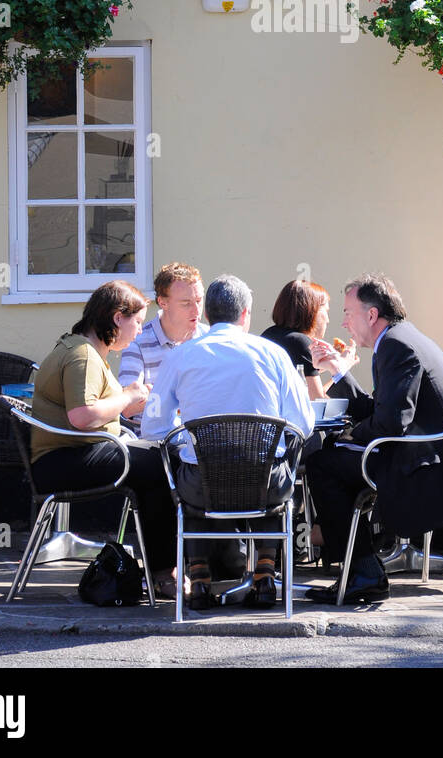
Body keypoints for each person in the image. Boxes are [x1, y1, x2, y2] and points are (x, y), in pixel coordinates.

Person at [142, 274, 314, 612]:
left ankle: (200, 579)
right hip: (266, 487)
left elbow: (153, 426)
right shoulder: (274, 355)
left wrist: (185, 436)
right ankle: (265, 573)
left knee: (192, 466)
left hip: (202, 489)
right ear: (246, 314)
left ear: (207, 315)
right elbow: (303, 424)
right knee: (265, 467)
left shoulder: (180, 357)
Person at [306, 274, 443, 605]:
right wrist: (340, 372)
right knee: (332, 455)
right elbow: (383, 411)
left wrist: (350, 436)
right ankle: (361, 569)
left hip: (427, 467)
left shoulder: (395, 345)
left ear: (371, 315)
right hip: (435, 455)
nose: (343, 322)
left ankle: (363, 571)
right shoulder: (401, 337)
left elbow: (392, 423)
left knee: (321, 464)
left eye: (349, 313)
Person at [30, 280, 179, 599]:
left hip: (69, 455)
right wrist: (128, 397)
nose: (140, 331)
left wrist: (125, 401)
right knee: (164, 463)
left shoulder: (81, 348)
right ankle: (169, 571)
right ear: (117, 318)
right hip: (64, 460)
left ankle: (161, 571)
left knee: (156, 467)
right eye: (137, 322)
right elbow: (82, 417)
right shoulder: (82, 356)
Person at [117, 262, 207, 431]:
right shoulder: (138, 342)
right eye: (186, 303)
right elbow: (126, 409)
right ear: (163, 302)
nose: (196, 310)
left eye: (199, 300)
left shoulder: (210, 340)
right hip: (154, 444)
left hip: (202, 442)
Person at [261, 279, 330, 401]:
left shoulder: (268, 335)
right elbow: (317, 401)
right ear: (312, 311)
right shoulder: (300, 343)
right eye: (326, 311)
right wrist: (340, 370)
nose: (328, 320)